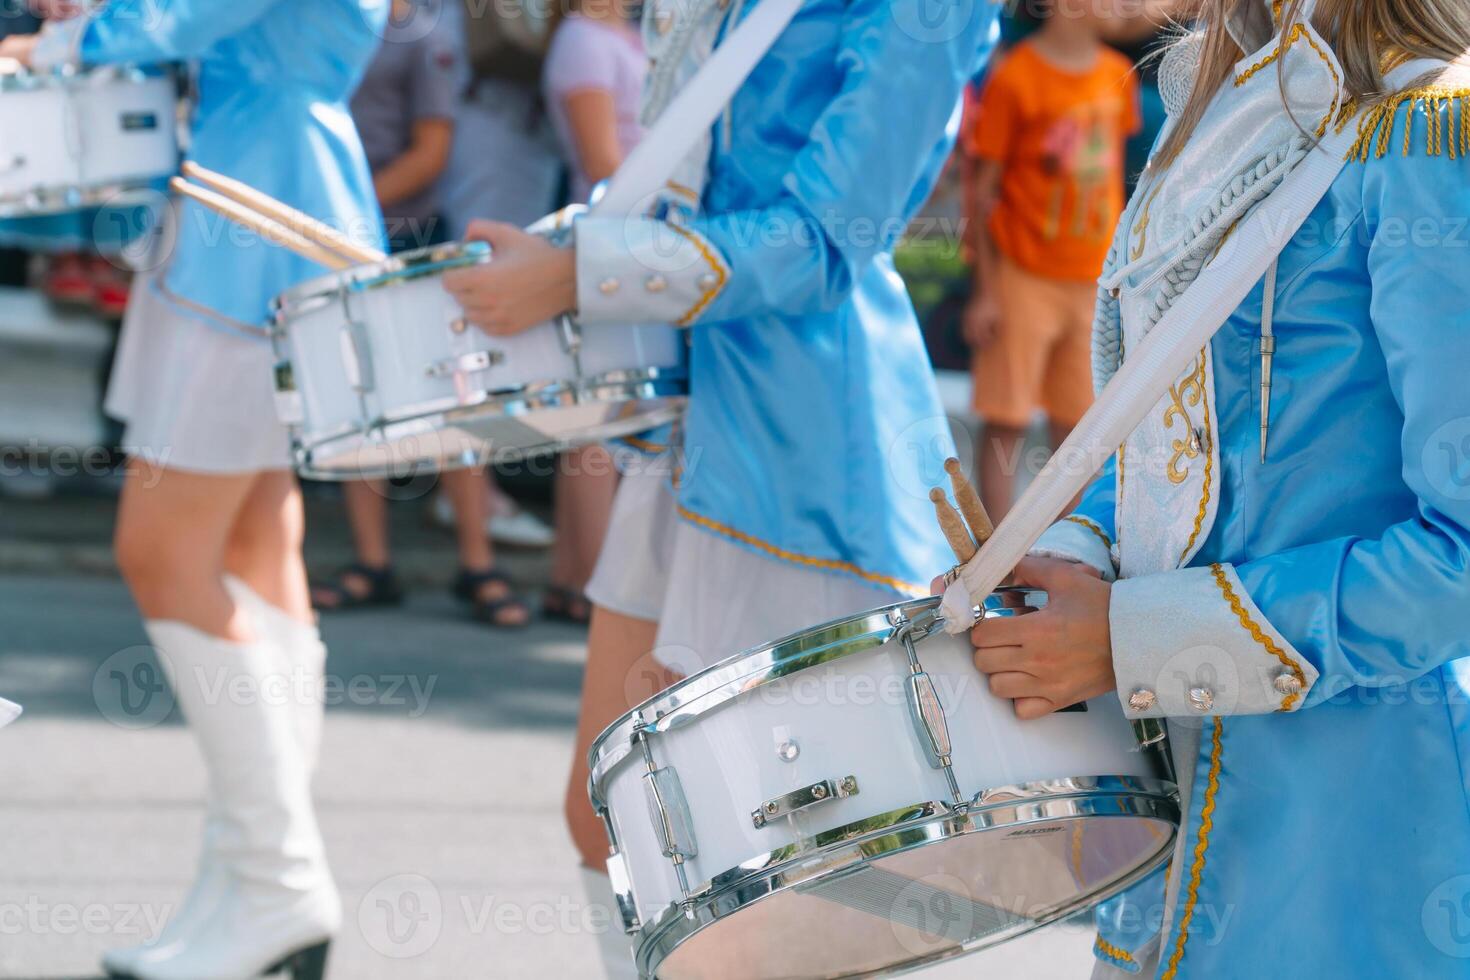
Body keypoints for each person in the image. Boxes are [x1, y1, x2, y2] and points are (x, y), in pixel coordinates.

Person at [441, 0, 1001, 971]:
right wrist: (572, 252)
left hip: (809, 458)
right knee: (613, 817)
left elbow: (828, 241)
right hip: (690, 431)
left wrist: (585, 273)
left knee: (783, 874)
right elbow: (687, 182)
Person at [958, 0, 1470, 975]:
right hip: (1173, 808)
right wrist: (1067, 560)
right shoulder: (1221, 90)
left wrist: (1132, 636)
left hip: (1357, 836)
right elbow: (1158, 429)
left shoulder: (1435, 130)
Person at [3, 3, 387, 978]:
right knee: (258, 547)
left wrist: (57, 41)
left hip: (251, 216)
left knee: (165, 551)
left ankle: (279, 877)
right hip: (265, 196)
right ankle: (247, 885)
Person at [312, 0, 533, 628]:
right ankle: (371, 562)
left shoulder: (422, 34)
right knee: (355, 395)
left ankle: (478, 563)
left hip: (403, 233)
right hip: (336, 236)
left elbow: (432, 149)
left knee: (451, 396)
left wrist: (344, 206)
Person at [964, 0, 1140, 520]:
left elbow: (1117, 182)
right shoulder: (1016, 77)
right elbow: (982, 194)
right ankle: (995, 557)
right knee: (1007, 418)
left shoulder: (1118, 75)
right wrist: (986, 291)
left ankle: (1066, 551)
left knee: (1079, 428)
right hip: (1022, 275)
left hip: (1091, 282)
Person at [537, 0, 647, 624]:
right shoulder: (582, 38)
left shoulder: (620, 33)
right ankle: (596, 591)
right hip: (609, 247)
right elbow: (603, 163)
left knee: (595, 422)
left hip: (630, 246)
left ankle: (570, 577)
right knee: (598, 427)